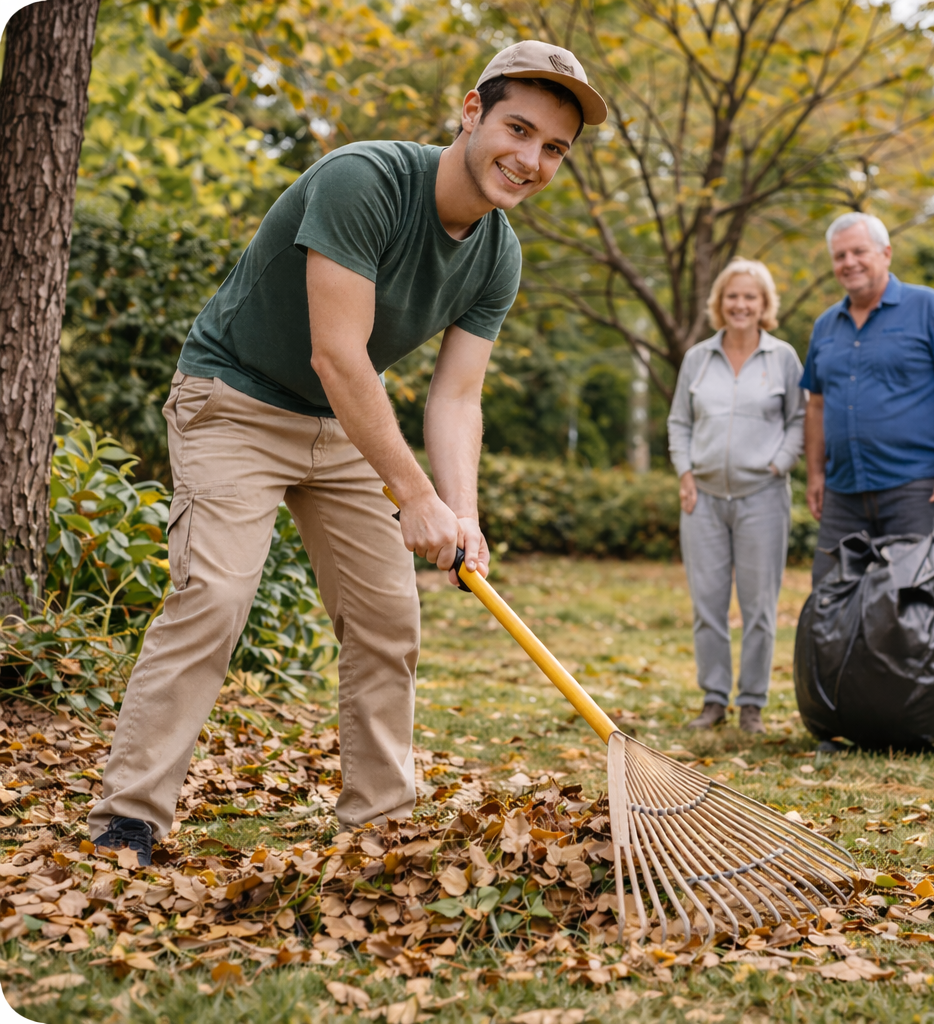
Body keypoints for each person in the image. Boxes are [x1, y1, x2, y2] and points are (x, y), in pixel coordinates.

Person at [86, 43, 608, 864]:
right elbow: (338, 354)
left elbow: (456, 396)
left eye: (554, 149)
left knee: (388, 620)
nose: (532, 159)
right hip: (238, 402)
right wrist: (414, 494)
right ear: (471, 111)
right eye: (519, 128)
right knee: (214, 598)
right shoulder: (363, 182)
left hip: (343, 427)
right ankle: (130, 816)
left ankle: (379, 824)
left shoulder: (498, 254)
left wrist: (458, 511)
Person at [802, 211, 934, 748]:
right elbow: (816, 405)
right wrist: (815, 473)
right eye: (840, 256)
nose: (849, 263)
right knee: (833, 603)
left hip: (921, 488)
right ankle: (839, 719)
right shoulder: (825, 326)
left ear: (885, 254)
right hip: (845, 492)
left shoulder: (929, 308)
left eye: (859, 252)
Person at [668, 260, 806, 735]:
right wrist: (685, 472)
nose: (741, 305)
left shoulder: (783, 358)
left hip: (763, 497)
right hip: (702, 499)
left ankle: (751, 704)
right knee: (707, 605)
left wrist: (779, 464)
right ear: (719, 303)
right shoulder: (698, 359)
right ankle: (713, 700)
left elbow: (800, 420)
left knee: (759, 609)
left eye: (750, 297)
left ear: (765, 305)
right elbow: (679, 423)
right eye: (732, 296)